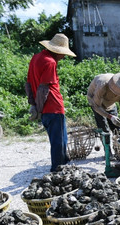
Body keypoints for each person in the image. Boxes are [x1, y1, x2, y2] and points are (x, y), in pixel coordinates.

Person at [25, 33, 76, 172]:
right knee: (59, 142)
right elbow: (44, 89)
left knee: (61, 139)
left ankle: (64, 164)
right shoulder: (50, 62)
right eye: (63, 54)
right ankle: (57, 170)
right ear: (57, 51)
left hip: (46, 109)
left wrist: (33, 104)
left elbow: (29, 83)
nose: (64, 56)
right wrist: (39, 108)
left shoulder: (36, 58)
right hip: (53, 107)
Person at [87, 73, 120, 162]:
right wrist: (110, 116)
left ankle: (119, 151)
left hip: (110, 103)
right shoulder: (102, 85)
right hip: (96, 103)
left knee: (118, 129)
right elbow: (96, 106)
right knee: (104, 130)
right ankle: (108, 153)